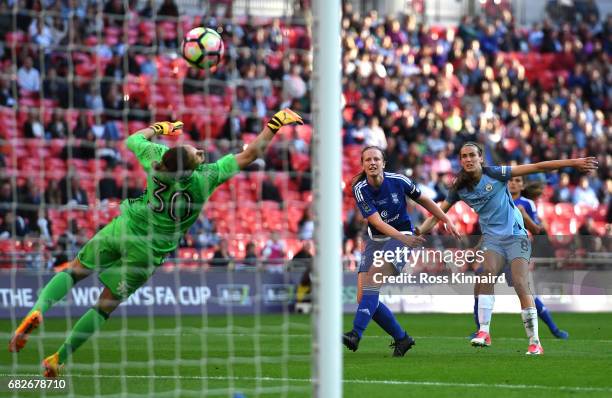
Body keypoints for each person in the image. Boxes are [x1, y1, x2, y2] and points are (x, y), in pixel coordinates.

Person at [8, 108, 303, 377]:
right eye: (196, 153)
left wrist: (159, 128)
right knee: (103, 307)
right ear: (191, 168)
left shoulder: (156, 160)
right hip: (147, 253)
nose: (200, 151)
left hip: (125, 228)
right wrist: (274, 124)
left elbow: (132, 139)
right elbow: (250, 154)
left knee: (73, 271)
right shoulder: (205, 178)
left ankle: (38, 309)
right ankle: (58, 358)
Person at [419, 142, 596, 355]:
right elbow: (438, 212)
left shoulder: (495, 174)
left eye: (472, 155)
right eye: (464, 156)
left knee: (520, 283)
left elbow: (537, 167)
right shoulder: (460, 187)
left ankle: (534, 342)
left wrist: (573, 163)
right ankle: (484, 332)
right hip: (492, 240)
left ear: (480, 158)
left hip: (515, 236)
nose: (468, 159)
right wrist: (418, 232)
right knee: (485, 275)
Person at [342, 146, 460, 357]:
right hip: (376, 239)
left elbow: (424, 200)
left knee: (371, 283)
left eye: (376, 159)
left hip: (402, 235)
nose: (372, 162)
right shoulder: (360, 189)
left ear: (383, 163)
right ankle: (402, 338)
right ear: (363, 165)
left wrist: (446, 218)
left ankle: (355, 334)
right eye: (367, 159)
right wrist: (402, 237)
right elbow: (376, 222)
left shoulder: (399, 180)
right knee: (363, 297)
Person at [469, 176, 569, 340]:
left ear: (522, 185)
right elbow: (490, 227)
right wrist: (478, 246)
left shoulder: (527, 204)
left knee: (525, 291)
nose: (513, 183)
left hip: (516, 253)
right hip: (496, 251)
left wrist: (524, 218)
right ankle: (480, 330)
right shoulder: (497, 200)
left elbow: (535, 229)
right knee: (480, 284)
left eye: (517, 180)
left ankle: (554, 329)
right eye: (511, 180)